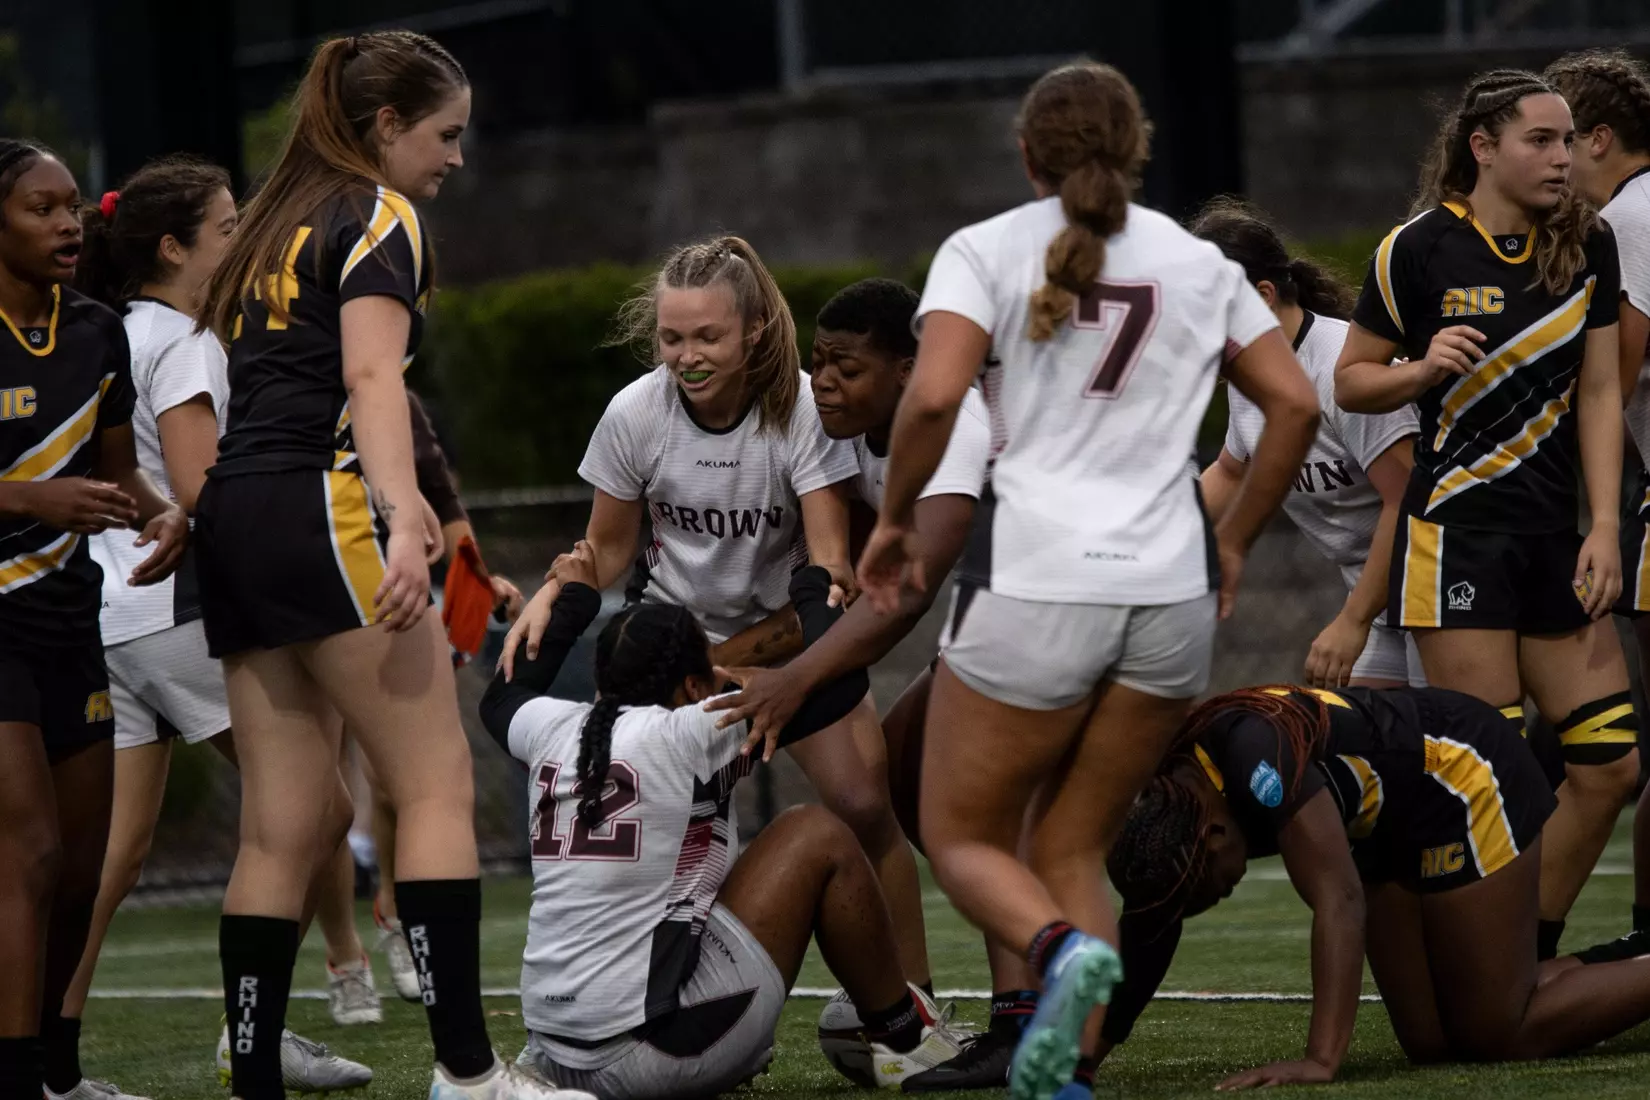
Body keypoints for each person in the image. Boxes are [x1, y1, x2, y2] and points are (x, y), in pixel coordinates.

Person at [854, 61, 1321, 1100]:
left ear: (1026, 154)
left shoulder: (984, 249)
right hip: (1171, 592)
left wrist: (891, 519)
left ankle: (1057, 951)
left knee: (961, 831)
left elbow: (930, 399)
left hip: (1039, 578)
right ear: (1138, 147)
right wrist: (1235, 542)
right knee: (1070, 844)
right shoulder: (1201, 264)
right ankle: (1070, 1073)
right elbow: (1295, 405)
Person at [191, 32, 590, 1100]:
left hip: (234, 512)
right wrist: (405, 516)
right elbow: (372, 377)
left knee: (280, 827)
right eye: (445, 133)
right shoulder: (376, 210)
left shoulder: (272, 218)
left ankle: (254, 1076)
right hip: (322, 506)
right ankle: (467, 1070)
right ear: (384, 126)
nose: (455, 156)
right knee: (435, 787)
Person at [500, 237, 938, 992]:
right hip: (673, 656)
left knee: (866, 804)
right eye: (672, 338)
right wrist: (553, 591)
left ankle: (915, 1010)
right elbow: (606, 552)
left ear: (753, 331)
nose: (687, 356)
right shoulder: (636, 411)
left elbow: (830, 565)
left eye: (708, 336)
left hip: (785, 642)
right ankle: (629, 997)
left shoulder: (802, 407)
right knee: (648, 830)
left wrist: (773, 664)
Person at [57, 156, 375, 1094]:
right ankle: (253, 1033)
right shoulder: (188, 339)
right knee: (315, 813)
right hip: (176, 607)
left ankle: (47, 1061)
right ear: (173, 248)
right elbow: (200, 490)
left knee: (110, 859)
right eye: (229, 227)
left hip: (110, 613)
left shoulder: (115, 329)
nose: (244, 240)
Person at [1334, 69, 1639, 962]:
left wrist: (1606, 526)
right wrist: (1421, 369)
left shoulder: (1588, 243)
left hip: (1553, 542)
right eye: (1540, 140)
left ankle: (1525, 953)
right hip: (1455, 541)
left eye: (1568, 139)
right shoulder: (1416, 249)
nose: (1563, 157)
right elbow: (1352, 381)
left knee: (1611, 763)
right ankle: (1482, 972)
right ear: (1483, 148)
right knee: (1492, 778)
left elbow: (1602, 392)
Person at [705, 277, 1034, 1090]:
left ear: (907, 370)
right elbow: (839, 584)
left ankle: (1023, 1023)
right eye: (818, 363)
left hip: (1055, 605)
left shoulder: (947, 417)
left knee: (972, 807)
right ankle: (916, 1012)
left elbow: (908, 589)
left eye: (846, 368)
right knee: (902, 775)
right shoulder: (839, 435)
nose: (823, 383)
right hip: (997, 614)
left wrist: (789, 681)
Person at [483, 546, 960, 1098]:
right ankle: (904, 1037)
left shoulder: (550, 725)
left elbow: (501, 697)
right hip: (650, 1056)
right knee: (816, 835)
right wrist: (814, 585)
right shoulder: (690, 731)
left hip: (552, 1053)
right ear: (694, 686)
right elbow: (841, 683)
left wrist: (576, 600)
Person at [1104, 684, 1650, 1087]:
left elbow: (1339, 897)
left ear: (1213, 835)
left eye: (1213, 890)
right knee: (1431, 1043)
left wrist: (1320, 1059)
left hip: (1459, 772)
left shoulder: (1254, 761)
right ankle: (1631, 955)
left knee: (1499, 1032)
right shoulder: (1175, 803)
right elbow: (1150, 929)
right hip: (1387, 823)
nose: (1216, 899)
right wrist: (1084, 1060)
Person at [0, 139, 189, 1100]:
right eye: (42, 208)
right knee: (28, 851)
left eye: (72, 206)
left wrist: (167, 515)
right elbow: (51, 492)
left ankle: (56, 1073)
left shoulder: (95, 330)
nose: (67, 224)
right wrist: (30, 499)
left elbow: (117, 473)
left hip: (71, 616)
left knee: (79, 868)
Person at [1193, 198, 1423, 689]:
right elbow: (1232, 472)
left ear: (1263, 295)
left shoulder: (1338, 365)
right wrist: (1153, 531)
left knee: (1460, 735)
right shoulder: (1251, 373)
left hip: (1433, 588)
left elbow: (1407, 498)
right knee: (1356, 735)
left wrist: (1352, 622)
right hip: (1380, 601)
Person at [1545, 48, 1650, 963]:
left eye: (1563, 140)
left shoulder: (1632, 218)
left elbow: (1612, 374)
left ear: (1602, 139)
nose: (1555, 160)